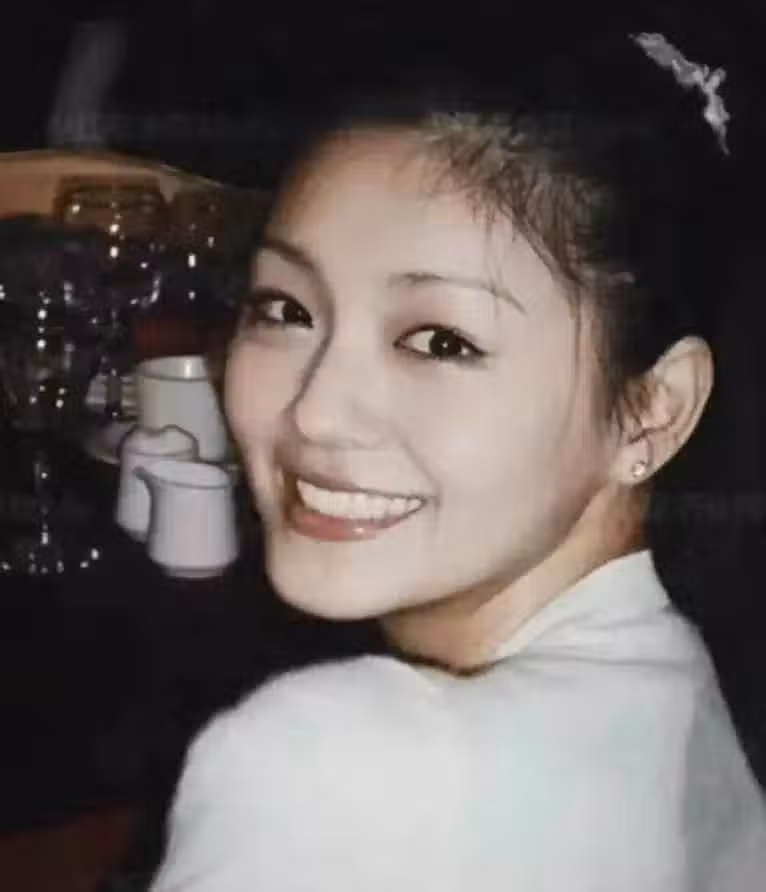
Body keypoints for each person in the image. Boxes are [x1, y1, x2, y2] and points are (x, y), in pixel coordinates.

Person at [148, 17, 766, 892]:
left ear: (651, 413)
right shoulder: (683, 708)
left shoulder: (331, 772)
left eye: (441, 341)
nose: (316, 411)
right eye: (286, 310)